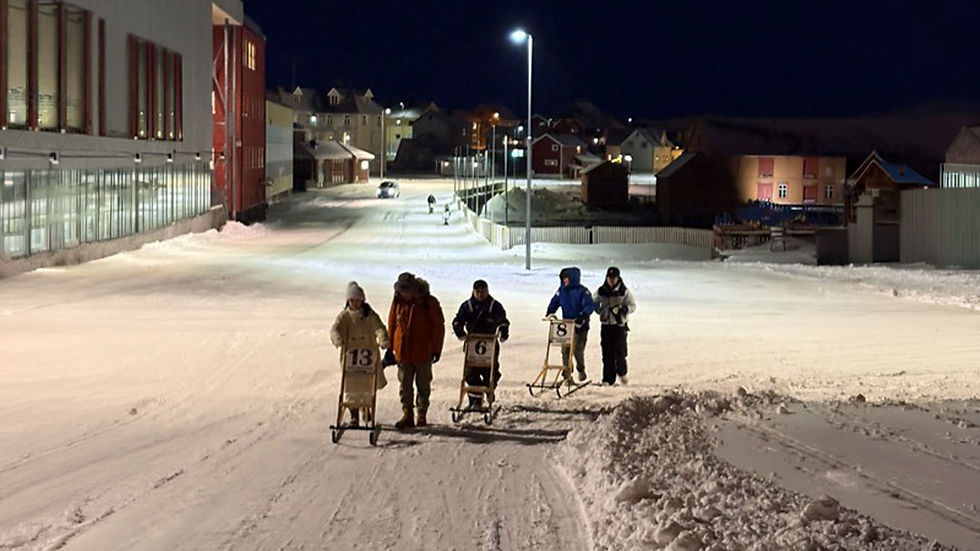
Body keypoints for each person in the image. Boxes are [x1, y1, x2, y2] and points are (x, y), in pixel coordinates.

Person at [388, 272, 445, 429]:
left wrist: (436, 349)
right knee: (405, 385)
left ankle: (421, 414)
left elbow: (438, 327)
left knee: (423, 385)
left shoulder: (429, 302)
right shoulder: (398, 302)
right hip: (403, 352)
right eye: (401, 290)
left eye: (406, 290)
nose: (404, 294)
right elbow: (392, 323)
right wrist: (390, 347)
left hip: (423, 352)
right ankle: (407, 414)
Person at [330, 282, 389, 426]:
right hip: (351, 357)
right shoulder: (344, 316)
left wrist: (383, 338)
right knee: (351, 388)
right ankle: (354, 415)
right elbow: (335, 328)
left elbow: (379, 327)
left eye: (358, 300)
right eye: (352, 300)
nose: (355, 303)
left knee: (367, 386)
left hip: (368, 356)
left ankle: (366, 408)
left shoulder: (369, 315)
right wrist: (337, 338)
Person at [452, 280, 510, 409]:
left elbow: (504, 321)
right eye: (478, 291)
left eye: (483, 291)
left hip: (490, 343)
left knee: (491, 371)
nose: (480, 294)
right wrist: (460, 332)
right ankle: (475, 400)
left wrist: (503, 332)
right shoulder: (467, 306)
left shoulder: (494, 306)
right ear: (473, 291)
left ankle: (489, 390)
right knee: (470, 372)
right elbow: (457, 321)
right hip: (472, 344)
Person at [545, 267, 595, 382]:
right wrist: (550, 312)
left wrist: (583, 316)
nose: (565, 281)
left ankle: (580, 368)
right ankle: (567, 374)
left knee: (577, 351)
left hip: (580, 327)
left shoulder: (583, 291)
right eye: (563, 279)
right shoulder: (561, 291)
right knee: (565, 351)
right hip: (566, 326)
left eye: (566, 279)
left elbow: (589, 306)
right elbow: (555, 302)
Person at [593, 267, 636, 386]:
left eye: (613, 278)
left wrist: (624, 309)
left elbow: (633, 305)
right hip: (606, 325)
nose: (611, 280)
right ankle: (608, 379)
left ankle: (622, 373)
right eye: (609, 278)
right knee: (607, 353)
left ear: (617, 278)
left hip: (619, 326)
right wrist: (598, 309)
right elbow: (593, 301)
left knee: (620, 351)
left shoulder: (624, 291)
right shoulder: (601, 291)